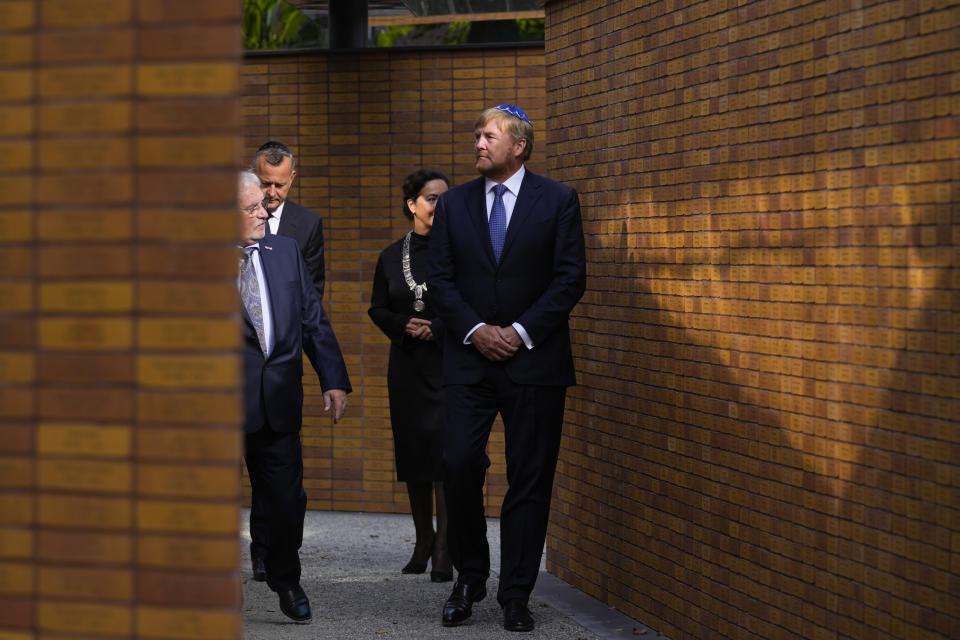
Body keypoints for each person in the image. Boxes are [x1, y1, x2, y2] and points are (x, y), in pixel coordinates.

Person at [425, 105, 586, 633]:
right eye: (475, 136)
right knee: (459, 462)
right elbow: (441, 280)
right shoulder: (452, 205)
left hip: (535, 363)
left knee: (530, 478)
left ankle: (516, 594)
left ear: (519, 146)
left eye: (488, 136)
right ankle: (470, 577)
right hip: (469, 361)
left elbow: (569, 280)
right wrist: (477, 330)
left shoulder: (558, 200)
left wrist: (517, 332)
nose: (477, 144)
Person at [237, 170, 351, 623]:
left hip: (278, 401)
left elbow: (312, 318)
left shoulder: (283, 251)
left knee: (287, 501)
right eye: (250, 208)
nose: (264, 212)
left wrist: (333, 378)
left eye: (262, 205)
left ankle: (286, 578)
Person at [368, 169, 452, 583]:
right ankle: (423, 537)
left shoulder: (459, 250)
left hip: (448, 365)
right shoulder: (389, 256)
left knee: (444, 457)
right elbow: (377, 308)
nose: (439, 205)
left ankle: (444, 546)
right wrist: (405, 325)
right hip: (406, 367)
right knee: (415, 453)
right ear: (412, 204)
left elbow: (473, 303)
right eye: (432, 198)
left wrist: (436, 327)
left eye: (444, 199)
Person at [248, 140, 326, 582]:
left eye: (279, 184)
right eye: (264, 183)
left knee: (281, 476)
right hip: (241, 371)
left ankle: (277, 555)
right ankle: (262, 551)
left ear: (292, 179)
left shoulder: (306, 225)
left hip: (281, 370)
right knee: (259, 469)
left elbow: (311, 301)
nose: (272, 193)